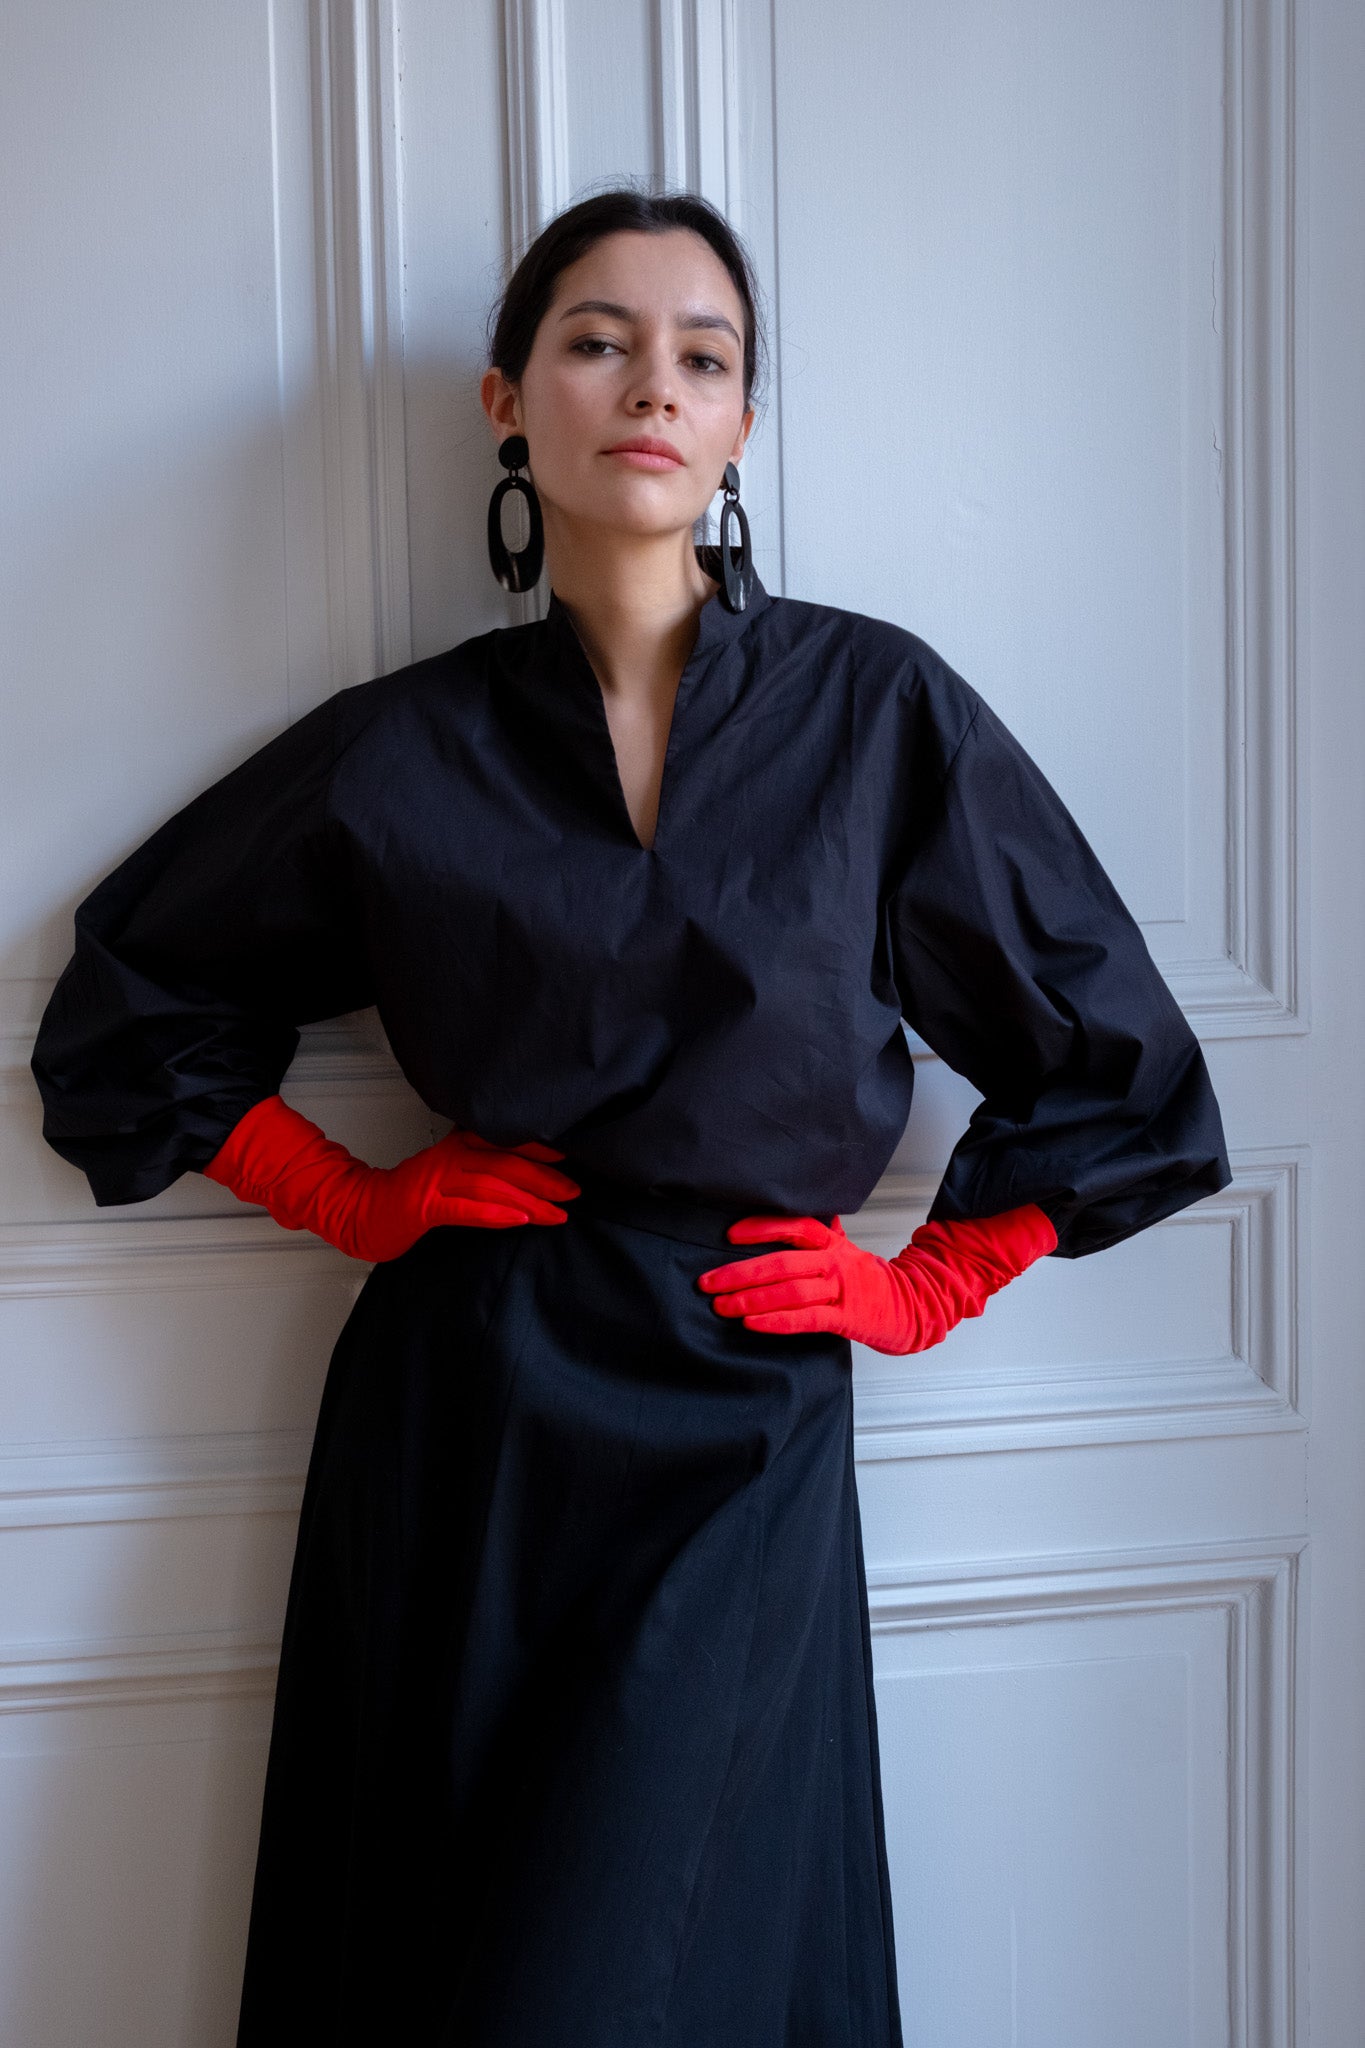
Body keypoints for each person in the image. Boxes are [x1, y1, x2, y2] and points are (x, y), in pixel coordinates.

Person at [30, 187, 1232, 2047]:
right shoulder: (400, 745)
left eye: (702, 355)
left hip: (745, 1409)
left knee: (659, 1961)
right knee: (453, 1961)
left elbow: (1117, 1063)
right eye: (597, 342)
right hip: (474, 1408)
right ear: (509, 402)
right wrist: (350, 1199)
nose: (652, 386)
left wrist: (924, 1286)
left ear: (743, 420)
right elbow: (130, 1005)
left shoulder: (876, 711)